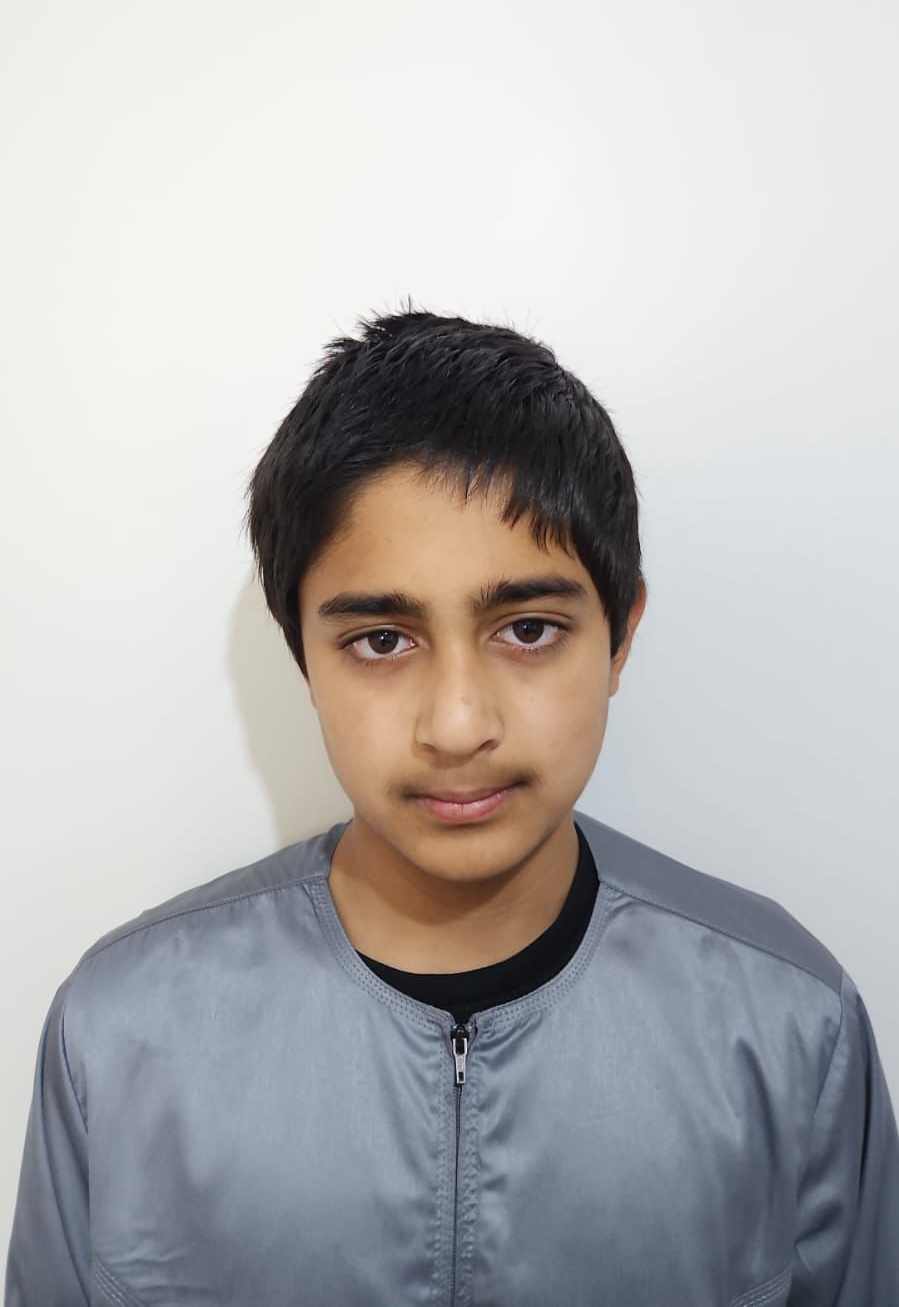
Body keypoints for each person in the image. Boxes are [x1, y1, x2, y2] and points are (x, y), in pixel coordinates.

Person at [6, 305, 898, 1306]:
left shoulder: (789, 1028)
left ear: (619, 635)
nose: (458, 724)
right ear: (301, 656)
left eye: (527, 628)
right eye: (381, 641)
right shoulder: (120, 1035)